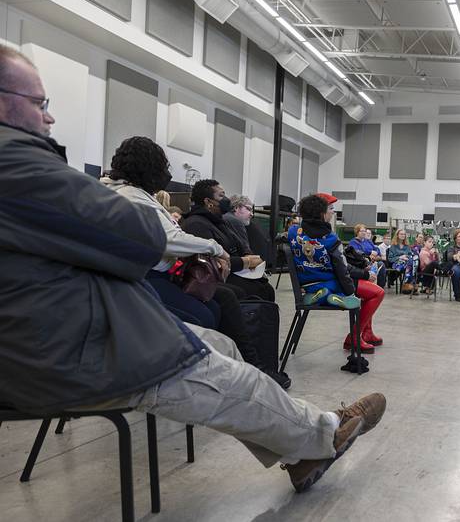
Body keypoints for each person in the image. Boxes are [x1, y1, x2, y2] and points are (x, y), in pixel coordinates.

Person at [0, 46, 386, 494]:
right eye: (39, 104)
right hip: (70, 347)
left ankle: (301, 448)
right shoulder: (15, 165)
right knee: (222, 369)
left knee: (223, 343)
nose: (48, 119)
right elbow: (141, 239)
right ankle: (320, 435)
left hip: (61, 332)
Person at [101, 137, 272, 376]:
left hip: (148, 276)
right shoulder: (130, 196)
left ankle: (239, 371)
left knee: (218, 302)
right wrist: (215, 248)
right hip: (140, 280)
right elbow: (169, 239)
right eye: (162, 166)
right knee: (204, 315)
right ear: (148, 167)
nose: (166, 173)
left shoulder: (128, 192)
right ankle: (195, 376)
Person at [290, 194, 384, 352]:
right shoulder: (330, 239)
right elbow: (343, 270)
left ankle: (366, 332)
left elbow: (282, 238)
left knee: (365, 288)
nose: (333, 212)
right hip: (332, 282)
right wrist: (351, 291)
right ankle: (354, 337)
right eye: (331, 209)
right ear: (321, 213)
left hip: (307, 284)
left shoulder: (293, 232)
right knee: (377, 293)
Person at [182, 180, 275, 301]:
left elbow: (239, 245)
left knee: (265, 287)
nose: (226, 199)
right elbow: (211, 262)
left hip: (236, 271)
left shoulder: (220, 221)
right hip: (216, 276)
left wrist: (248, 255)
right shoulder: (196, 224)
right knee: (255, 291)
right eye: (221, 195)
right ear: (208, 202)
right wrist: (245, 262)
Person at [349, 223, 386, 288]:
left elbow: (377, 250)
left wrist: (375, 253)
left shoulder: (368, 241)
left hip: (372, 261)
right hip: (361, 262)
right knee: (375, 266)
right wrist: (370, 252)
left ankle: (380, 287)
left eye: (364, 231)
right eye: (361, 231)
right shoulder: (353, 242)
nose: (363, 233)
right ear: (357, 232)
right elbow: (357, 253)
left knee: (381, 265)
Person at [387, 229, 418, 294]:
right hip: (397, 263)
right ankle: (409, 286)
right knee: (410, 266)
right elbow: (390, 259)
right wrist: (400, 257)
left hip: (406, 263)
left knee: (412, 264)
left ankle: (408, 286)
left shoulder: (407, 246)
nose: (403, 235)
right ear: (397, 235)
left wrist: (406, 257)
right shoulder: (393, 246)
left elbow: (410, 255)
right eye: (401, 234)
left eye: (404, 234)